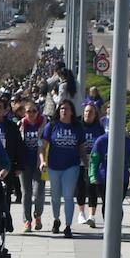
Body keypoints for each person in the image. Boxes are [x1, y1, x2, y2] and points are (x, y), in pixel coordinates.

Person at [40, 97, 89, 237]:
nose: (64, 111)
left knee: (68, 195)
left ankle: (68, 225)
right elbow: (42, 147)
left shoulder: (77, 127)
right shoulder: (52, 126)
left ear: (72, 112)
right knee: (55, 196)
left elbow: (81, 148)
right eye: (61, 108)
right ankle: (56, 220)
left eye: (67, 108)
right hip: (54, 166)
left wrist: (86, 165)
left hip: (71, 166)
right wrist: (43, 161)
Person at [88, 121, 130, 223]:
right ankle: (107, 226)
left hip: (122, 178)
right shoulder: (101, 141)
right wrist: (93, 176)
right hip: (104, 179)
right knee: (107, 203)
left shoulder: (127, 141)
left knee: (117, 204)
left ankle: (117, 228)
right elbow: (94, 160)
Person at [18, 99, 47, 231]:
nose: (31, 114)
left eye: (34, 111)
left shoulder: (44, 125)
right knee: (26, 193)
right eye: (28, 111)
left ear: (38, 112)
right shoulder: (21, 125)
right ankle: (27, 221)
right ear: (24, 113)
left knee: (39, 192)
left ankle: (38, 215)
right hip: (24, 164)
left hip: (40, 163)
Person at [79, 101, 107, 227]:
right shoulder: (79, 126)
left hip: (94, 162)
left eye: (91, 112)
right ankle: (81, 213)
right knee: (80, 187)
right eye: (86, 111)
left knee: (92, 188)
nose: (88, 114)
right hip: (79, 160)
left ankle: (91, 216)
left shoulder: (99, 128)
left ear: (95, 114)